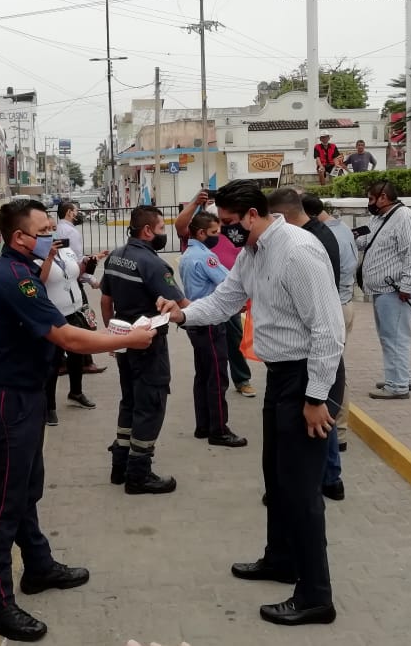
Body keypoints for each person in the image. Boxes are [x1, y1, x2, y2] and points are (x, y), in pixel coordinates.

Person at [158, 180, 344, 627]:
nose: (224, 232)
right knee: (276, 480)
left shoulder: (298, 251)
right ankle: (280, 559)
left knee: (301, 491)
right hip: (280, 375)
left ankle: (316, 596)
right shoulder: (253, 252)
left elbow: (328, 329)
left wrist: (317, 397)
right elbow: (225, 300)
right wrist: (181, 314)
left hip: (307, 378)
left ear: (252, 215)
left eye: (228, 223)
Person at [0, 198, 155, 641]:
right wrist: (127, 340)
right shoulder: (13, 279)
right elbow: (67, 337)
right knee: (5, 503)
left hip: (26, 395)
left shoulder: (23, 274)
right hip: (9, 400)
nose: (51, 236)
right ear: (20, 238)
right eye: (43, 231)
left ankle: (37, 565)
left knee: (27, 489)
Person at [101, 205, 188, 495]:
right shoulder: (153, 264)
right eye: (162, 229)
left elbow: (105, 300)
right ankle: (138, 475)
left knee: (130, 401)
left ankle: (119, 466)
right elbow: (181, 304)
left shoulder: (115, 256)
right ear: (148, 231)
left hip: (124, 341)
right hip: (148, 344)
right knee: (150, 404)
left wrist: (113, 337)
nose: (164, 234)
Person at [267, 188, 346, 502]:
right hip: (318, 337)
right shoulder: (317, 233)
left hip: (314, 346)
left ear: (280, 217)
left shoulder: (302, 245)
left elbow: (325, 327)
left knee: (318, 412)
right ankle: (327, 478)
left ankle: (326, 479)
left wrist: (315, 396)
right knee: (321, 414)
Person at [175, 188, 255, 397]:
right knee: (215, 367)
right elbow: (227, 281)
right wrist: (194, 201)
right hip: (213, 308)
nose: (222, 231)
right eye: (219, 227)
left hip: (208, 308)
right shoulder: (202, 253)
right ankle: (216, 412)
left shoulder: (234, 235)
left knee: (228, 346)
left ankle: (240, 379)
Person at [179, 211, 247, 448]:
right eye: (214, 232)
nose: (218, 236)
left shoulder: (188, 254)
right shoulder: (207, 257)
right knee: (218, 377)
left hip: (194, 321)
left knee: (203, 374)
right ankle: (219, 429)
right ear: (200, 233)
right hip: (209, 321)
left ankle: (204, 425)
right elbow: (229, 282)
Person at [357, 180, 411, 400]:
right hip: (384, 289)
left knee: (394, 337)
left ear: (383, 198)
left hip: (396, 290)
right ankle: (402, 377)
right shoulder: (379, 218)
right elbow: (366, 240)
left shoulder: (405, 218)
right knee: (391, 336)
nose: (369, 203)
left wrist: (406, 286)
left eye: (371, 198)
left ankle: (397, 386)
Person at [301, 192, 356, 455]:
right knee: (335, 370)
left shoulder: (322, 235)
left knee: (333, 373)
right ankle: (338, 431)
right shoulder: (341, 229)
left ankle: (338, 431)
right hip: (344, 304)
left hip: (335, 308)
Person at [35, 231, 97, 426]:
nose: (52, 234)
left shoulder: (68, 250)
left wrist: (86, 264)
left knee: (77, 354)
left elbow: (75, 274)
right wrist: (49, 256)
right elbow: (39, 281)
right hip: (54, 314)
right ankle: (49, 407)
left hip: (75, 310)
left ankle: (76, 392)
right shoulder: (37, 255)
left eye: (52, 229)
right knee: (53, 362)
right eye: (45, 230)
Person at [56, 200, 108, 374]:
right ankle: (85, 361)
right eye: (76, 211)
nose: (78, 214)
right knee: (84, 321)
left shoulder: (59, 229)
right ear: (70, 213)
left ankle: (65, 361)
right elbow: (76, 263)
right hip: (74, 282)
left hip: (63, 282)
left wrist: (92, 257)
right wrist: (92, 280)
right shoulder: (71, 231)